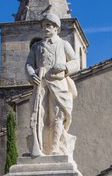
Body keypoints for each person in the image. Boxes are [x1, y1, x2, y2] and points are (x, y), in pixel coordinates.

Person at [25, 12, 79, 156]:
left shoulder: (64, 44)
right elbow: (29, 64)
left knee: (58, 115)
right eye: (44, 25)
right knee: (40, 115)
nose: (46, 28)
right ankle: (40, 148)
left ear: (56, 27)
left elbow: (75, 62)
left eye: (48, 25)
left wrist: (65, 67)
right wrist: (31, 75)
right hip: (41, 85)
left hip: (58, 84)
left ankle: (55, 148)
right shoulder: (36, 47)